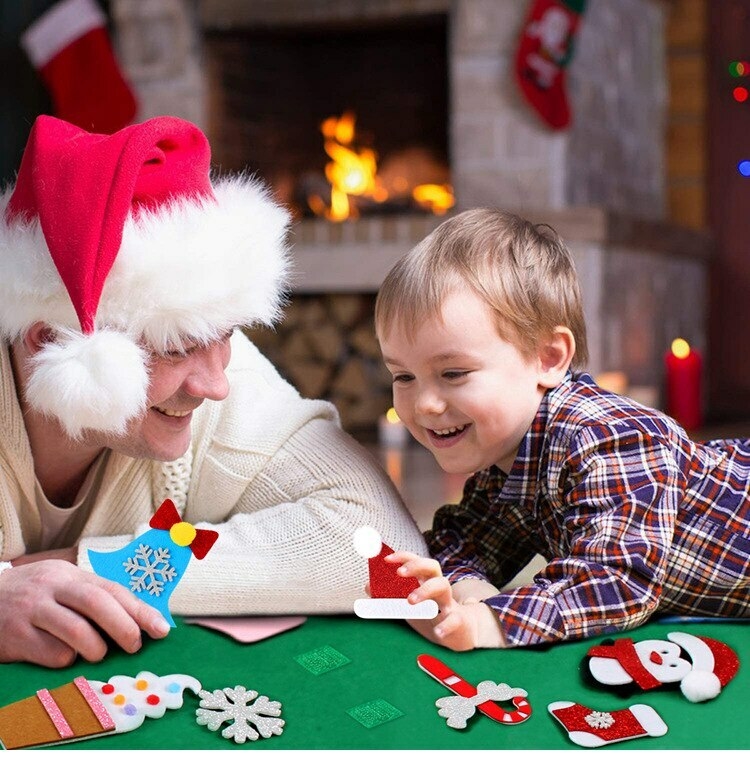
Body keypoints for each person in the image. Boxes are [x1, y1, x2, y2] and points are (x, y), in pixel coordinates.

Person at [0, 114, 426, 668]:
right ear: (49, 341)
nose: (216, 385)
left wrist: (77, 568)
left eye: (224, 336)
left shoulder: (210, 351)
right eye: (175, 348)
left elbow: (383, 547)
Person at [373, 207, 750, 651]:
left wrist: (486, 622)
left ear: (548, 358)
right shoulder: (506, 465)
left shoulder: (612, 439)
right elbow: (460, 541)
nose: (425, 404)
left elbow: (614, 581)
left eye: (453, 373)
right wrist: (465, 592)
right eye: (403, 377)